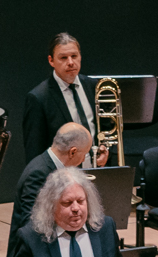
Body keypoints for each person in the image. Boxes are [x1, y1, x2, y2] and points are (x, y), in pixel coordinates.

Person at [20, 33, 103, 167]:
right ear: (51, 61)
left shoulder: (93, 86)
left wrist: (106, 150)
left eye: (74, 56)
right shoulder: (38, 98)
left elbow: (105, 129)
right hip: (62, 176)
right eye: (63, 58)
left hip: (98, 170)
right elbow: (34, 153)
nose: (70, 62)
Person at [10, 123, 91, 238]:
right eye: (84, 154)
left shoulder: (48, 166)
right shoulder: (38, 174)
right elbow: (31, 222)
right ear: (72, 152)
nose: (83, 160)